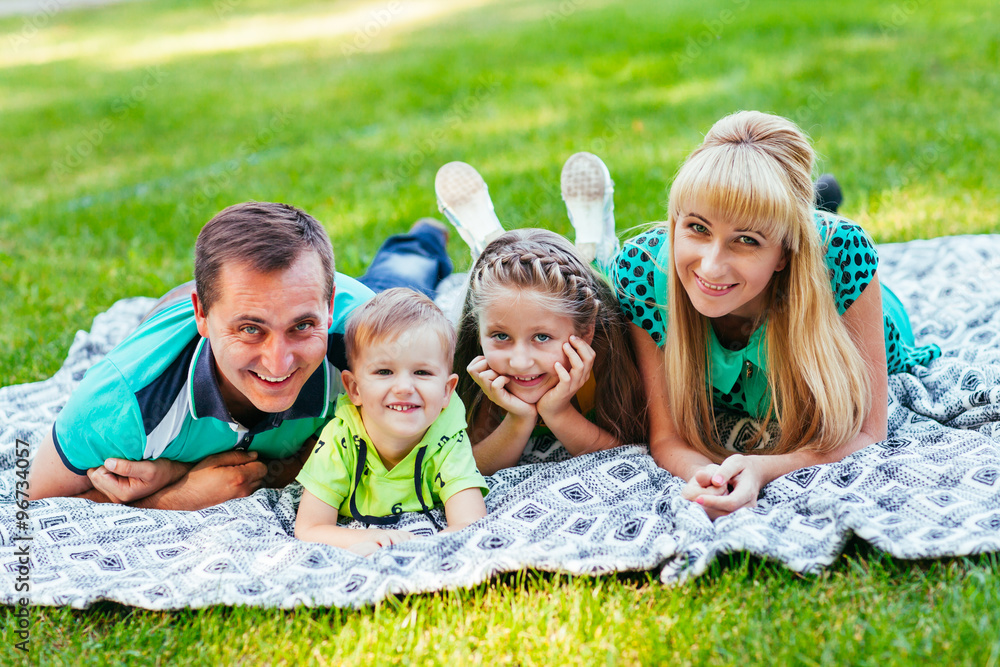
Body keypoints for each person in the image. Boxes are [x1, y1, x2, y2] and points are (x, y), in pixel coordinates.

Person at [609, 110, 941, 520]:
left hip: (837, 294)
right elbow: (667, 438)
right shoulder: (642, 273)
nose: (711, 266)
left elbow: (870, 433)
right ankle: (802, 206)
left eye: (746, 240)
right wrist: (712, 478)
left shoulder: (844, 257)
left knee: (817, 235)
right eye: (697, 227)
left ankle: (815, 209)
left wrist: (762, 468)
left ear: (784, 253)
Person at [27, 202, 455, 510]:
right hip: (172, 320)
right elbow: (35, 504)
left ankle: (423, 237)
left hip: (359, 300)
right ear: (202, 315)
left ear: (328, 309)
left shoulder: (363, 341)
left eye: (302, 326)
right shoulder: (123, 403)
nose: (278, 363)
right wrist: (177, 496)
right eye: (251, 329)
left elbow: (435, 447)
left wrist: (178, 474)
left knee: (403, 277)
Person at [294, 288, 488, 555]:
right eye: (384, 371)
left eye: (422, 372)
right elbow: (310, 527)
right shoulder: (340, 439)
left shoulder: (447, 436)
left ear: (447, 391)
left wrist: (416, 549)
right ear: (354, 389)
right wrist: (372, 539)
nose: (404, 388)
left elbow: (470, 523)